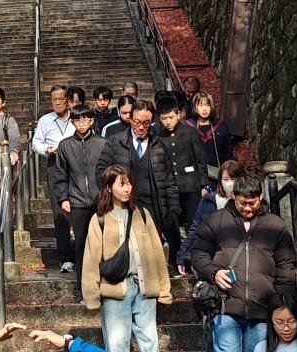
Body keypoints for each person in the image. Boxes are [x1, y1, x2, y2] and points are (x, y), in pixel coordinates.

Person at [189, 166, 297, 352]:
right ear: (232, 197)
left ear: (261, 197)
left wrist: (285, 304)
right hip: (227, 305)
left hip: (263, 307)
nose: (247, 208)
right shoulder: (216, 220)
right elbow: (197, 253)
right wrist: (213, 273)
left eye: (252, 202)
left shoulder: (275, 225)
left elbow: (286, 267)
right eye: (242, 202)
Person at [81, 167, 171, 352]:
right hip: (115, 290)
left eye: (128, 183)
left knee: (150, 343)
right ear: (109, 188)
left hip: (144, 287)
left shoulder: (142, 214)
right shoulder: (99, 219)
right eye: (120, 184)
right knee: (118, 346)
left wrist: (163, 287)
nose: (126, 188)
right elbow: (91, 259)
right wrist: (91, 294)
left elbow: (155, 251)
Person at [97, 99, 181, 262]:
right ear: (130, 119)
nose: (141, 127)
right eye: (137, 122)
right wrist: (113, 192)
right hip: (122, 205)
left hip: (153, 207)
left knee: (151, 254)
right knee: (124, 253)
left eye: (146, 123)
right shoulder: (115, 142)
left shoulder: (158, 146)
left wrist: (173, 210)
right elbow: (101, 172)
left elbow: (169, 181)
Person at [49, 105, 105, 286]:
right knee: (81, 243)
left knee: (103, 242)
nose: (81, 124)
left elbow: (109, 172)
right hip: (77, 200)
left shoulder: (102, 143)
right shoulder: (65, 145)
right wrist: (63, 198)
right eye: (77, 120)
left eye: (85, 120)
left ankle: (105, 282)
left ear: (91, 121)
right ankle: (84, 285)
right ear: (72, 122)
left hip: (100, 200)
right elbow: (61, 174)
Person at [31, 87, 76, 275]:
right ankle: (65, 257)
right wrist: (46, 150)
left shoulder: (77, 118)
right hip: (55, 165)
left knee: (81, 209)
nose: (57, 103)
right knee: (59, 212)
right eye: (53, 99)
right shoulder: (45, 120)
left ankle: (83, 253)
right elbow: (35, 143)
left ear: (68, 100)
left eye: (60, 99)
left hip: (77, 165)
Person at [154, 93, 210, 240]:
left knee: (193, 223)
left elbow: (200, 160)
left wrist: (204, 184)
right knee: (172, 225)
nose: (168, 122)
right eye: (164, 118)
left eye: (171, 117)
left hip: (191, 185)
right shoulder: (157, 136)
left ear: (178, 114)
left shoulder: (189, 132)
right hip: (169, 189)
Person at [189, 92, 234, 182]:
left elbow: (227, 152)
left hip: (216, 175)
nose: (204, 109)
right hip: (195, 176)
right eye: (200, 105)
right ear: (195, 107)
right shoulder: (188, 127)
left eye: (207, 105)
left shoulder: (220, 126)